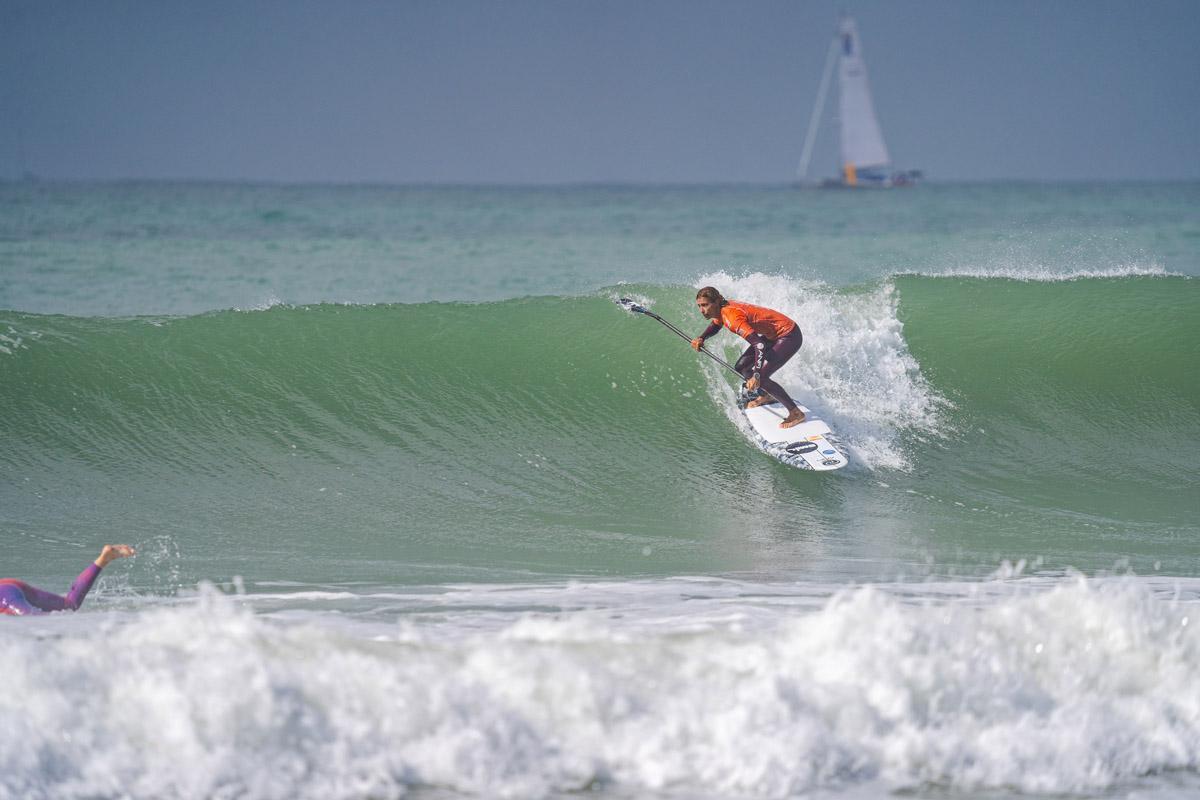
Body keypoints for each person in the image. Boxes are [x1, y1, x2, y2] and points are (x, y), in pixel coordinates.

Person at [690, 286, 806, 428]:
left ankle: (795, 413)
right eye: (699, 306)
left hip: (789, 335)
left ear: (716, 302)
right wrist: (701, 338)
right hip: (772, 335)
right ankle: (765, 395)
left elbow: (759, 346)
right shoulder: (721, 310)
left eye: (705, 305)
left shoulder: (732, 318)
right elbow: (716, 324)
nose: (702, 310)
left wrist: (756, 375)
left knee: (761, 376)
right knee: (742, 367)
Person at [0, 544, 135, 616]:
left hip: (5, 595)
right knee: (70, 605)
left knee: (32, 618)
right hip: (8, 586)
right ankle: (104, 559)